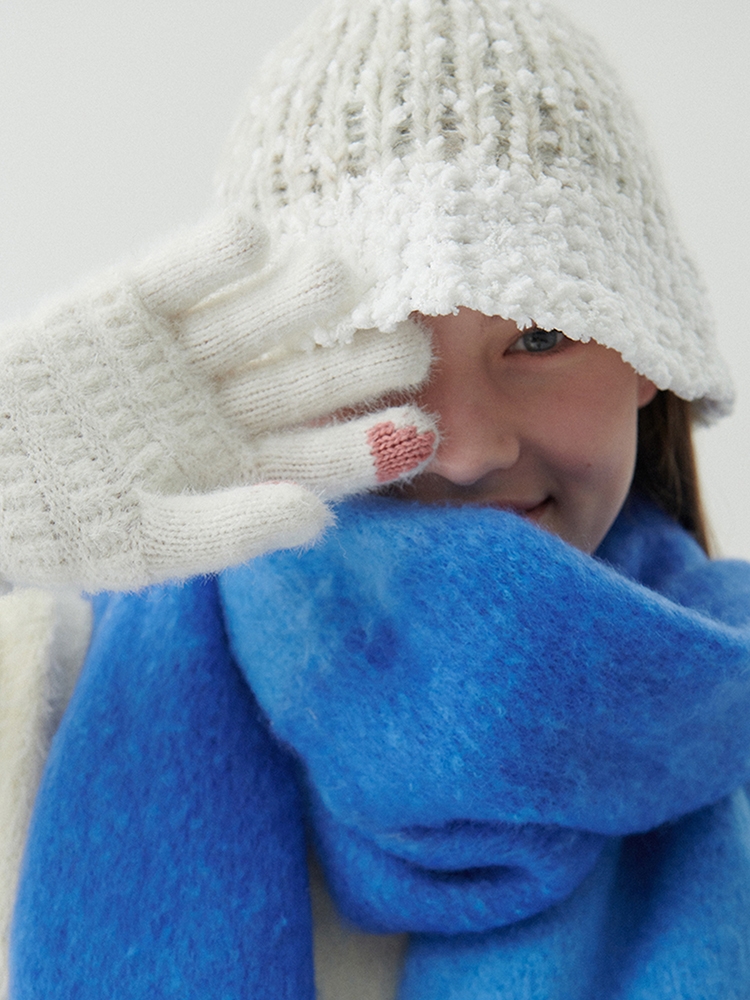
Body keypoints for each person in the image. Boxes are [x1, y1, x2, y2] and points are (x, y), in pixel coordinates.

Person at [2, 0, 750, 997]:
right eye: (374, 344)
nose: (469, 445)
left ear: (650, 356)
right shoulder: (37, 695)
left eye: (538, 334)